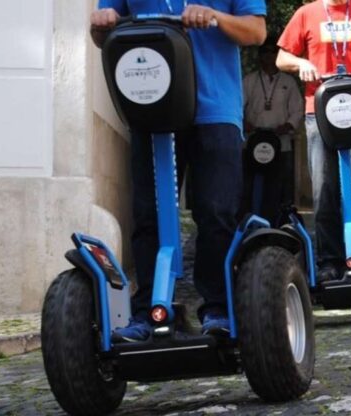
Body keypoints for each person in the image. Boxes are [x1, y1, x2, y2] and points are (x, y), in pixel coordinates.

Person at [90, 0, 266, 341]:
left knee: (216, 213)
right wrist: (102, 22)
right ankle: (148, 310)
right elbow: (102, 35)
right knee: (148, 216)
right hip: (151, 107)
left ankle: (216, 308)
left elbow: (256, 32)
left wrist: (214, 16)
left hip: (214, 110)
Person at [276, 0, 351, 282]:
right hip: (319, 108)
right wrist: (301, 63)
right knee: (324, 186)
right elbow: (282, 58)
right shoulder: (306, 14)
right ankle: (329, 260)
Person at [242, 40, 304, 224]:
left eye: (272, 52)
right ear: (259, 56)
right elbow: (238, 106)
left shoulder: (288, 82)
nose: (268, 56)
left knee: (278, 185)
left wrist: (287, 126)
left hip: (280, 143)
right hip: (252, 141)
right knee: (248, 184)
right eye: (264, 52)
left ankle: (276, 222)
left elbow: (297, 110)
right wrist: (245, 123)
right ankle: (247, 220)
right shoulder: (249, 80)